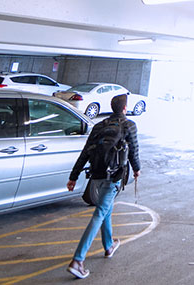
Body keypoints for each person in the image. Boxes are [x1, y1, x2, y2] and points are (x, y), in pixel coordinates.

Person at [66, 93, 141, 279]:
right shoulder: (129, 125)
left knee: (105, 208)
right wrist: (137, 169)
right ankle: (78, 260)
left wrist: (73, 176)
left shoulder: (99, 126)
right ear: (124, 109)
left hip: (97, 173)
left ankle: (109, 246)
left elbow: (85, 152)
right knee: (100, 212)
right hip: (115, 175)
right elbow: (134, 150)